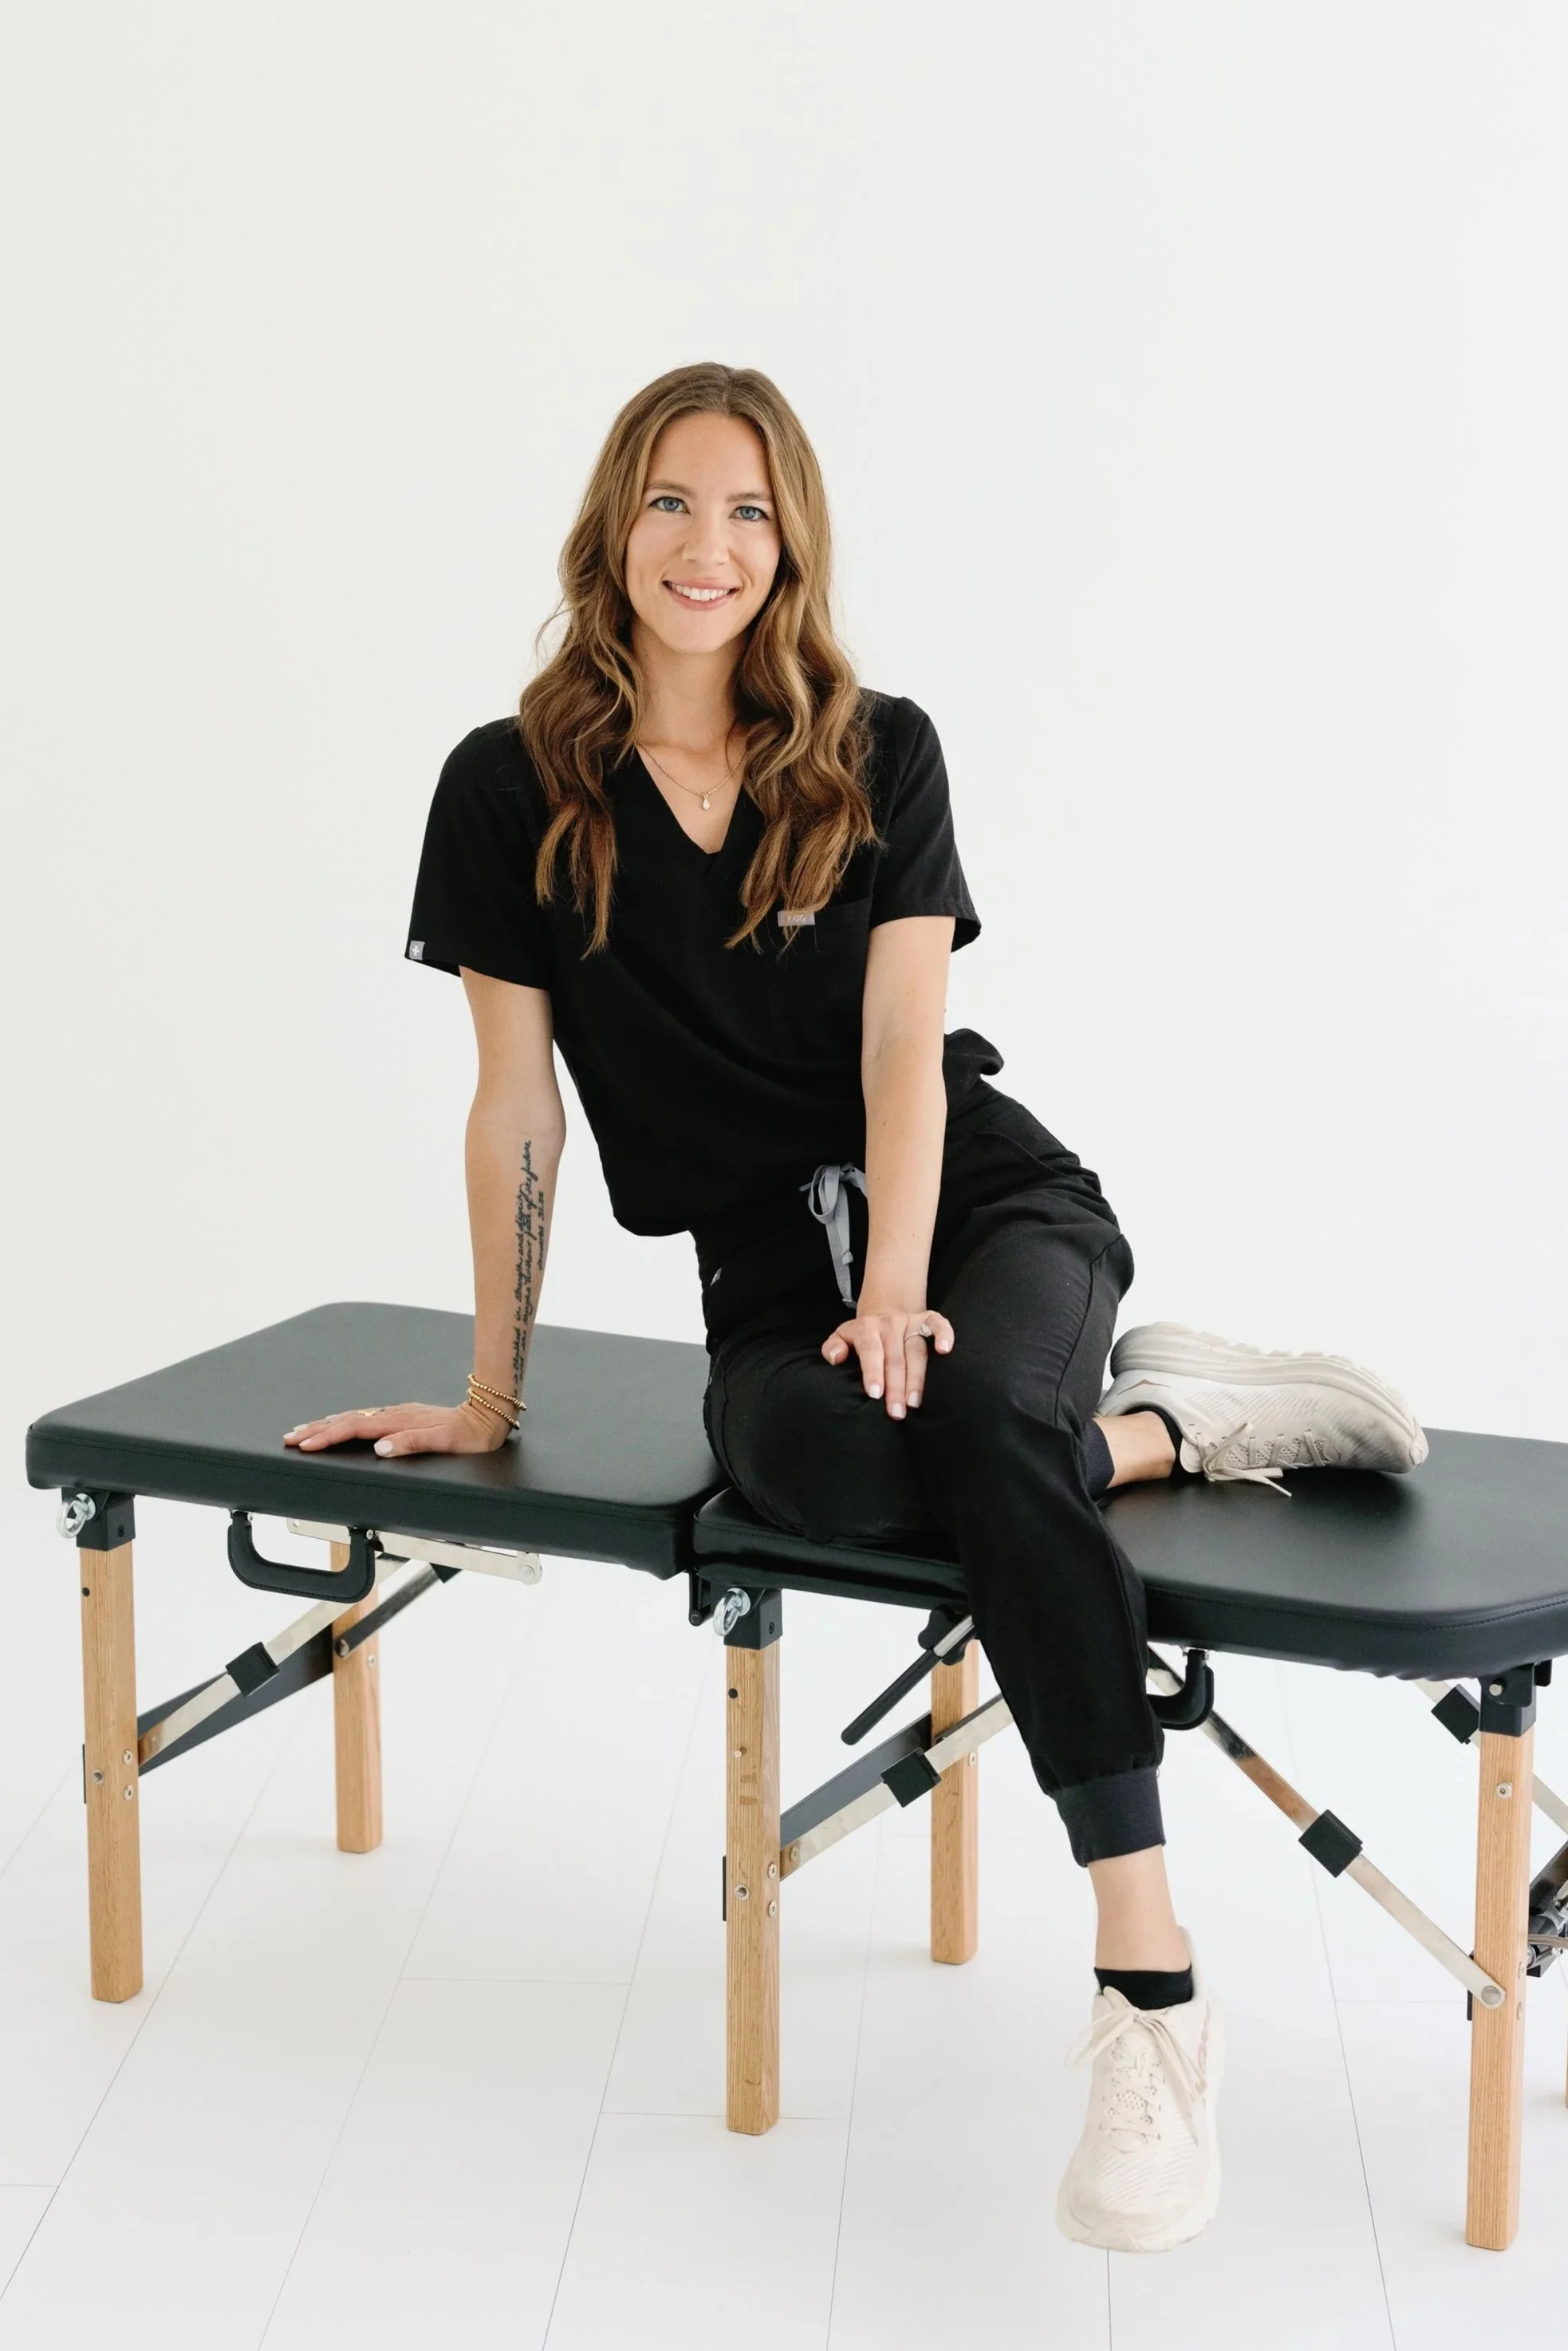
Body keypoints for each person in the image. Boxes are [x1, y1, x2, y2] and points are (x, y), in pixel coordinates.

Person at [282, 361, 1427, 2254]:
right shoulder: (508, 788)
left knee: (975, 1422)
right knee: (840, 1474)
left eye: (746, 509)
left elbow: (905, 1043)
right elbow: (514, 1105)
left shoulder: (877, 751)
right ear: (611, 528)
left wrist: (898, 1286)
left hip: (978, 1207)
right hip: (762, 1271)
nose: (704, 545)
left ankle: (1146, 1983)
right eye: (669, 501)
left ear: (790, 543)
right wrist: (488, 1395)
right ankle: (1169, 1430)